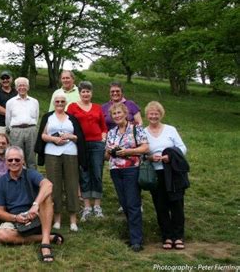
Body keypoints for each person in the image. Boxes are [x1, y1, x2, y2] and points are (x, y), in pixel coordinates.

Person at [0, 146, 64, 263]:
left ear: (23, 161)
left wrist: (35, 206)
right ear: (6, 162)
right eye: (10, 160)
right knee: (2, 235)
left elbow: (48, 185)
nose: (14, 162)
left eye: (17, 159)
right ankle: (48, 237)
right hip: (16, 220)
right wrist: (16, 218)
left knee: (46, 196)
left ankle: (45, 244)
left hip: (36, 216)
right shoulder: (1, 182)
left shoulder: (31, 174)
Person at [35, 93, 88, 232]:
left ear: (65, 103)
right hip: (52, 153)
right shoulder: (48, 117)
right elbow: (43, 135)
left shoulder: (72, 118)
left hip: (70, 152)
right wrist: (54, 139)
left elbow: (79, 137)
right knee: (54, 185)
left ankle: (73, 220)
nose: (59, 103)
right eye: (57, 101)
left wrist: (70, 136)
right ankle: (56, 218)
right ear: (54, 102)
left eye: (62, 101)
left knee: (71, 184)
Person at [144, 101, 188, 250]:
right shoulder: (143, 132)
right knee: (160, 205)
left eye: (156, 113)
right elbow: (142, 153)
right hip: (156, 173)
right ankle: (167, 237)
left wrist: (170, 157)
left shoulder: (170, 130)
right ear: (147, 115)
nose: (153, 116)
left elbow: (182, 148)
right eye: (151, 113)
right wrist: (150, 158)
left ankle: (178, 237)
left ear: (161, 114)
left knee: (176, 205)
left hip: (173, 173)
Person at [105, 103, 149, 252]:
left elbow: (145, 148)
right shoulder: (111, 132)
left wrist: (128, 151)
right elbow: (106, 155)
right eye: (114, 114)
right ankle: (132, 235)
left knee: (133, 203)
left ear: (126, 113)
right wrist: (110, 151)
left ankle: (136, 240)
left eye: (119, 113)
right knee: (124, 203)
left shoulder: (136, 128)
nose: (117, 116)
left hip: (132, 169)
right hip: (115, 170)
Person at [66, 81, 108, 221]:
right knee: (84, 174)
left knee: (97, 173)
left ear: (91, 93)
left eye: (88, 91)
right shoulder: (72, 107)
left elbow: (103, 126)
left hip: (97, 144)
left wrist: (103, 138)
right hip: (80, 144)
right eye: (83, 91)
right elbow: (68, 124)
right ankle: (87, 207)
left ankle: (97, 206)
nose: (86, 94)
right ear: (79, 93)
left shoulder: (97, 107)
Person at [5, 77, 38, 169]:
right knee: (17, 157)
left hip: (31, 130)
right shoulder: (10, 102)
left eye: (24, 85)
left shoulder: (34, 102)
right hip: (16, 131)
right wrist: (11, 131)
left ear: (28, 87)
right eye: (19, 85)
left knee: (31, 158)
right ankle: (19, 180)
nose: (22, 87)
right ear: (16, 88)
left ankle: (32, 180)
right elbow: (8, 119)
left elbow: (36, 117)